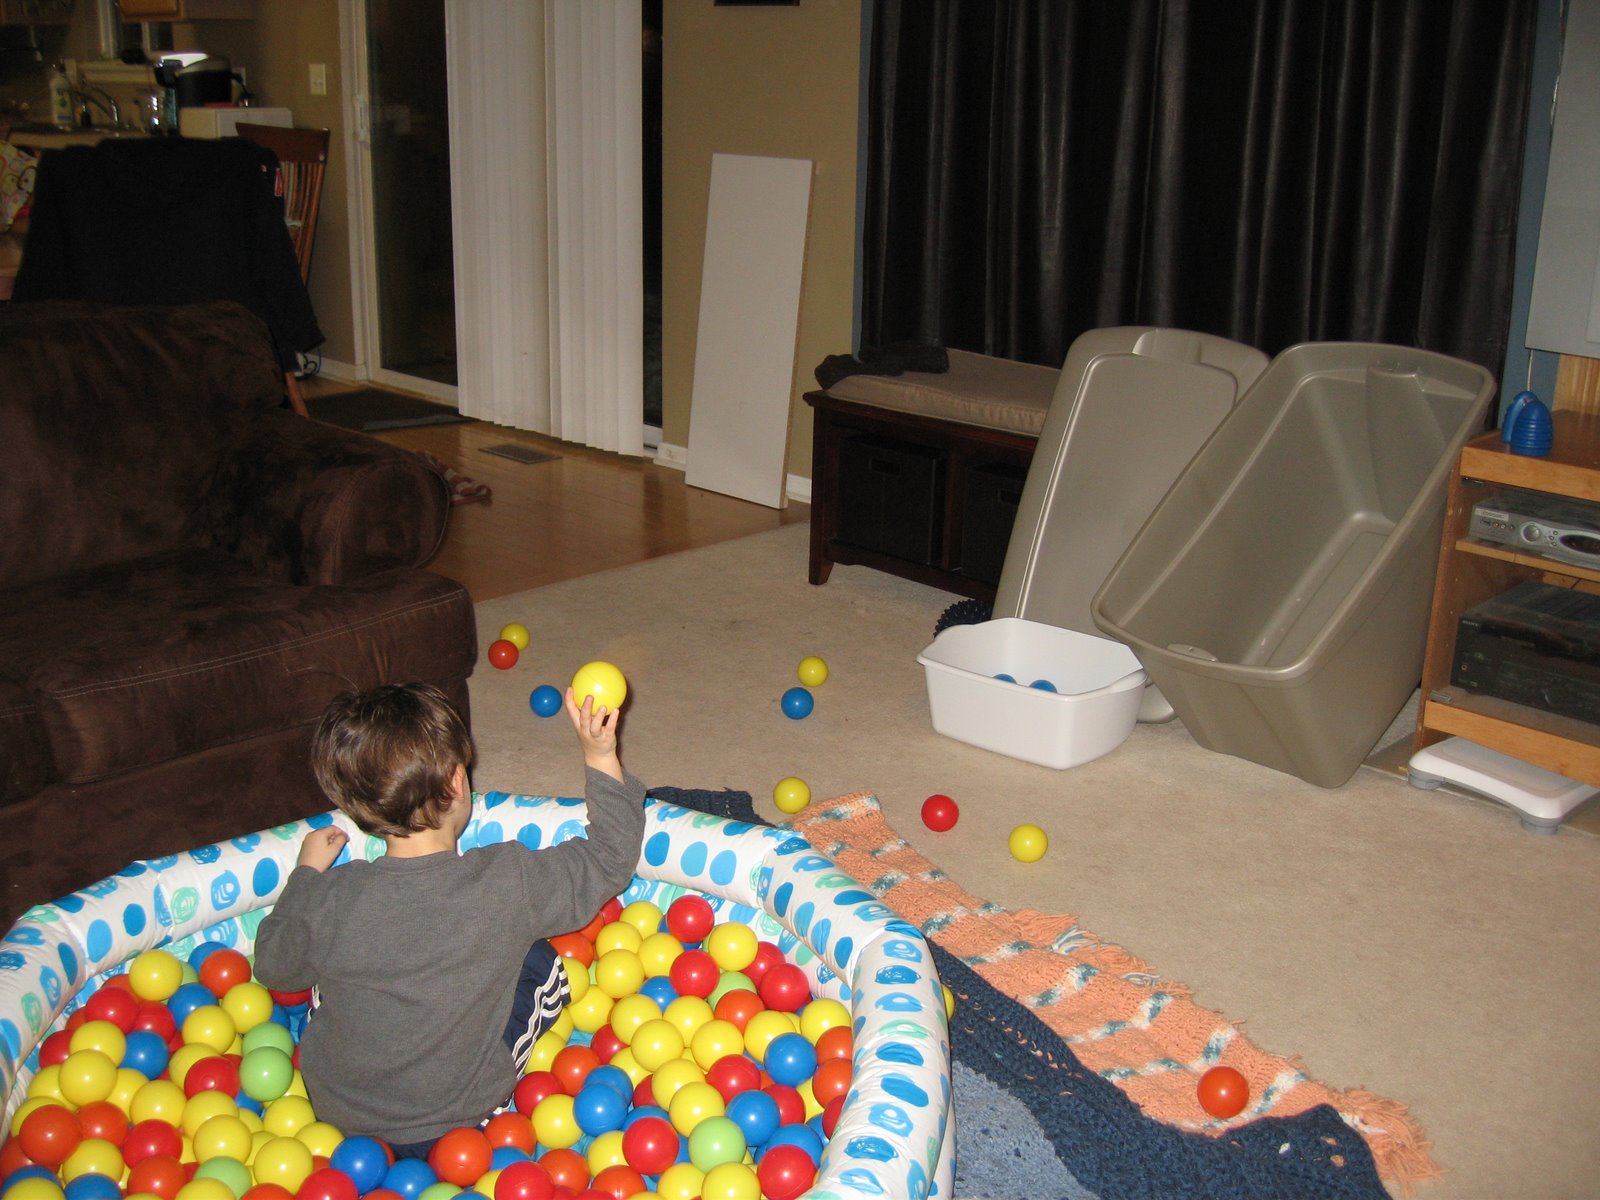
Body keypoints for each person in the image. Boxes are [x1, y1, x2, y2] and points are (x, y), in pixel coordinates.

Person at [253, 681, 646, 1157]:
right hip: (462, 1111)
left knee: (323, 970)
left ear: (358, 810)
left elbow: (274, 964)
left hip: (339, 1111)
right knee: (542, 961)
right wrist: (600, 754)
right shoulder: (507, 882)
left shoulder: (332, 898)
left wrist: (306, 874)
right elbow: (609, 857)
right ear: (457, 783)